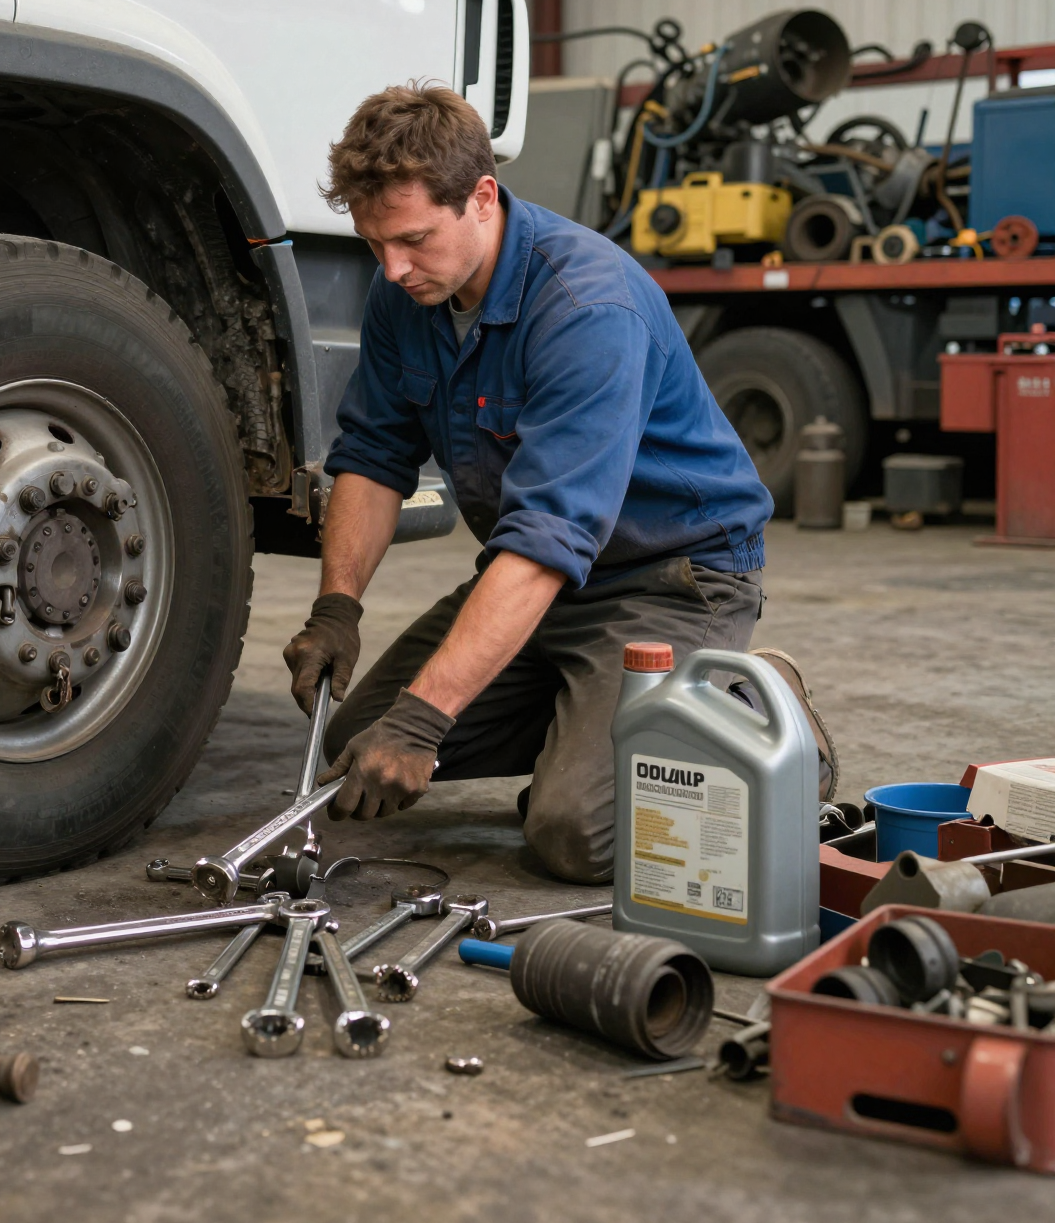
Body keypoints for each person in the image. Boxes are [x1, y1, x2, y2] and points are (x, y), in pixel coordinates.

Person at [283, 83, 836, 884]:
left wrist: (427, 716)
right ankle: (597, 725)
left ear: (481, 197)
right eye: (375, 245)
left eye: (412, 240)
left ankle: (750, 708)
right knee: (356, 743)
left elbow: (548, 535)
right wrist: (337, 609)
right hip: (546, 587)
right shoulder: (406, 293)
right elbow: (374, 456)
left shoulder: (587, 306)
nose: (393, 268)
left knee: (578, 834)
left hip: (671, 582)